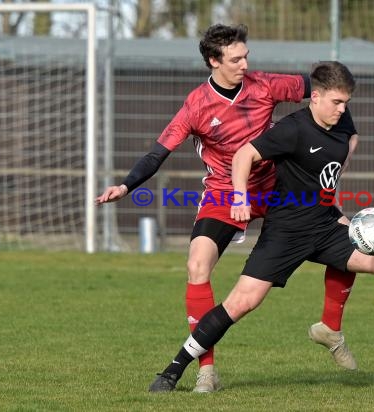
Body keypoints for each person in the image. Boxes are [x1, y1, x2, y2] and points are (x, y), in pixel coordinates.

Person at [147, 61, 374, 392]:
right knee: (241, 303)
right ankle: (174, 368)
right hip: (286, 233)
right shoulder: (293, 129)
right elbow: (243, 157)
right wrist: (239, 198)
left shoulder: (342, 120)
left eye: (346, 102)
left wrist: (334, 186)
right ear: (316, 97)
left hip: (324, 226)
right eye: (336, 102)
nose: (343, 109)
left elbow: (348, 141)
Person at [96, 24, 360, 393]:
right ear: (213, 60)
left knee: (352, 236)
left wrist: (346, 136)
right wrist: (126, 185)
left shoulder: (265, 84)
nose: (244, 63)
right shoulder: (196, 105)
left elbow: (328, 89)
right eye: (236, 58)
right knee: (197, 264)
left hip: (278, 188)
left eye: (246, 55)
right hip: (224, 192)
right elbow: (159, 152)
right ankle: (207, 369)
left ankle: (330, 327)